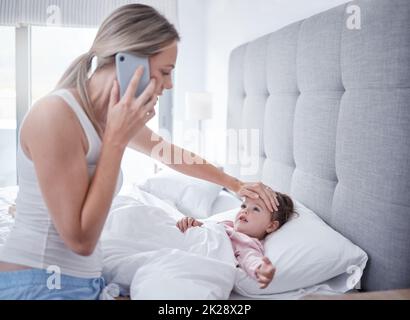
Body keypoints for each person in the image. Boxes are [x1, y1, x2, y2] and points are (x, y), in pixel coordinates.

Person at [0, 4, 280, 299]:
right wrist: (116, 142)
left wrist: (235, 184)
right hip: (37, 283)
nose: (170, 84)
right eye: (165, 71)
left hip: (87, 282)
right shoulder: (56, 115)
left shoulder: (111, 115)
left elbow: (170, 154)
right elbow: (79, 240)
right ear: (129, 61)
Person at [176, 192, 295, 289]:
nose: (245, 210)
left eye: (256, 209)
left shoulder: (246, 241)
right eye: (244, 206)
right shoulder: (226, 225)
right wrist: (192, 223)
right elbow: (206, 230)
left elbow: (250, 257)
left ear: (271, 226)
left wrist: (260, 268)